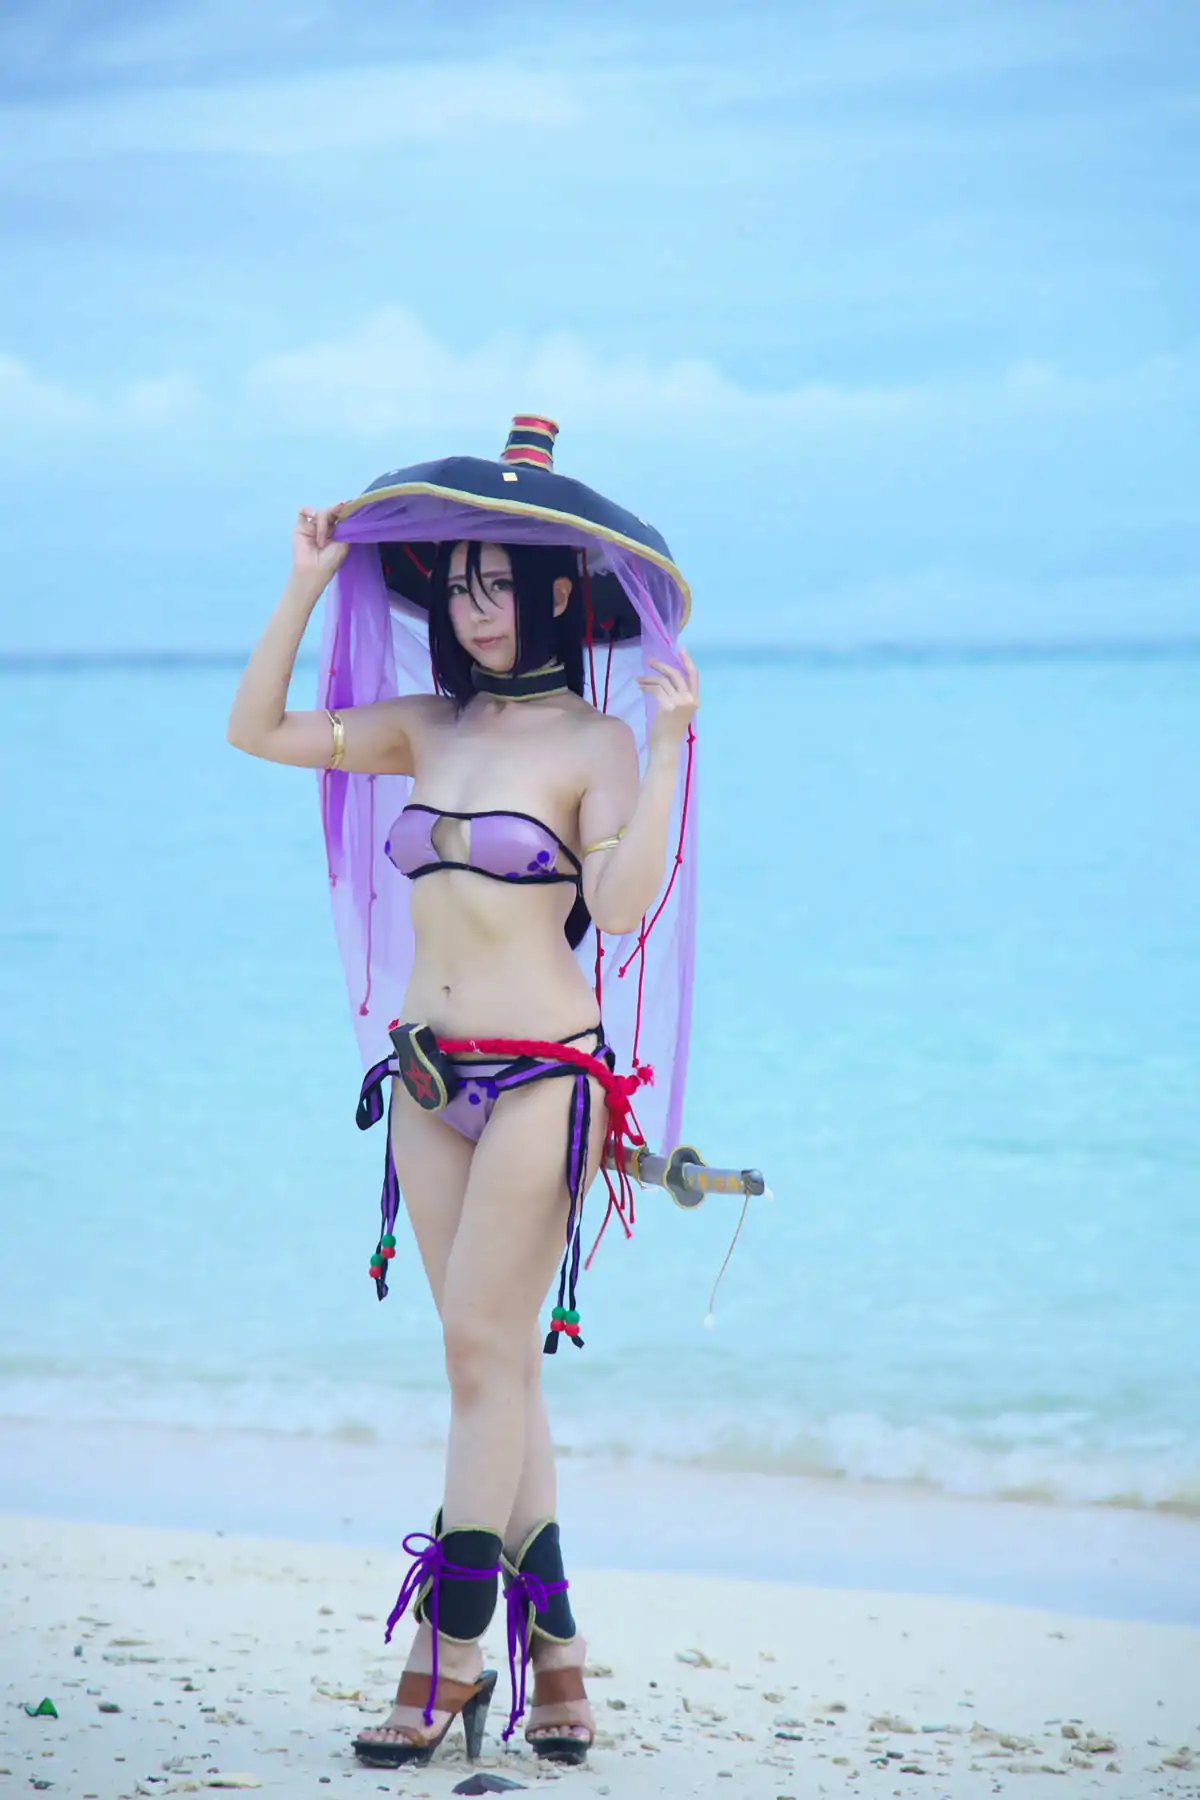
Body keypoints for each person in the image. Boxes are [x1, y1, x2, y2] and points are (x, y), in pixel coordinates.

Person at [225, 420, 699, 1770]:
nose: (479, 608)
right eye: (461, 585)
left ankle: (450, 1648)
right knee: (496, 1370)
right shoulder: (424, 726)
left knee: (482, 1361)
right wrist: (305, 585)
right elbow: (256, 730)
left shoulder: (596, 742)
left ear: (553, 594)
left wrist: (666, 746)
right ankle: (562, 1655)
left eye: (502, 584)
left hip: (548, 1079)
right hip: (428, 1079)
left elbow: (622, 904)